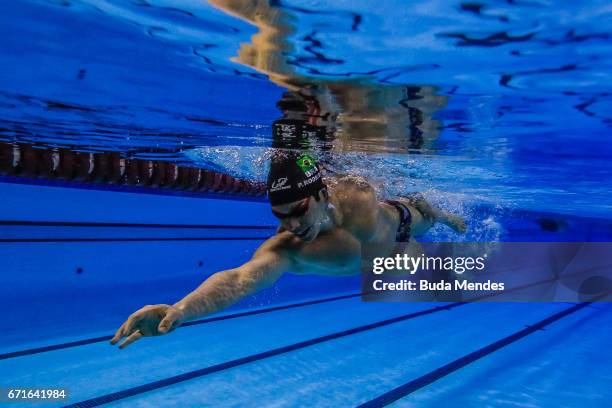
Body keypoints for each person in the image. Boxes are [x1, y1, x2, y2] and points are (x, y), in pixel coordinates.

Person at [110, 152, 466, 349]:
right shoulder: (288, 247)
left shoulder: (358, 197)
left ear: (323, 196)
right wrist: (181, 309)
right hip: (386, 257)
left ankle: (442, 216)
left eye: (298, 212)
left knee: (431, 217)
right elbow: (239, 280)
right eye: (281, 216)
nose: (293, 226)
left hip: (403, 224)